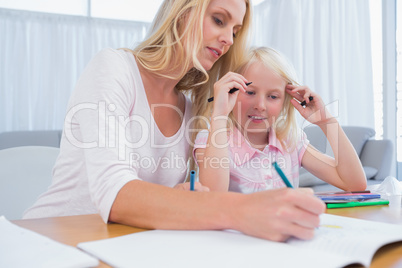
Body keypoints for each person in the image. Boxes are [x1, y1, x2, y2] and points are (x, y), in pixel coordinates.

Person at [24, 0, 325, 242]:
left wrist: (179, 196)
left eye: (234, 32)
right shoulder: (114, 68)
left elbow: (171, 194)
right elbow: (113, 193)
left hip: (123, 245)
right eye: (219, 20)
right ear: (183, 12)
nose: (227, 40)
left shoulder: (192, 109)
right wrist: (244, 210)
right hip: (49, 241)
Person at [193, 46, 367, 193]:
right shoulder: (210, 139)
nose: (260, 105)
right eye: (250, 92)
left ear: (285, 101)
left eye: (273, 96)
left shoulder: (290, 141)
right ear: (230, 91)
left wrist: (327, 122)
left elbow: (354, 183)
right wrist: (219, 115)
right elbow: (212, 196)